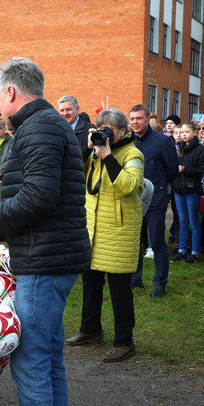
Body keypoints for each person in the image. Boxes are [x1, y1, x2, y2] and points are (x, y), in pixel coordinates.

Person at [0, 57, 91, 406]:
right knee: (48, 357)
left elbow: (38, 195)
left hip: (45, 260)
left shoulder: (39, 126)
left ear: (10, 91)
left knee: (31, 361)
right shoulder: (44, 124)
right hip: (49, 254)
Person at [66, 108, 143, 362]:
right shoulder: (96, 151)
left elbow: (128, 186)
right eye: (102, 130)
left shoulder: (133, 154)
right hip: (93, 228)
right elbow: (73, 170)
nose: (106, 135)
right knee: (91, 282)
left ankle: (124, 341)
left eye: (111, 130)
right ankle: (90, 329)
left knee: (120, 289)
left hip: (119, 230)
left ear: (124, 131)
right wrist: (89, 147)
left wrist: (108, 157)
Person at [130, 104, 178, 298]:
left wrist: (158, 185)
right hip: (133, 198)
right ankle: (135, 279)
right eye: (132, 119)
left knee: (157, 242)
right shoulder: (128, 140)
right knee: (135, 241)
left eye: (139, 118)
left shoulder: (162, 141)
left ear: (148, 118)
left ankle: (160, 283)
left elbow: (172, 169)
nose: (135, 122)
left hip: (156, 199)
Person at [171, 123, 204, 264]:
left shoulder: (201, 149)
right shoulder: (179, 149)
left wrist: (185, 169)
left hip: (192, 189)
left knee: (194, 221)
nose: (183, 134)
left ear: (194, 132)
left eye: (187, 131)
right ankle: (182, 250)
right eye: (182, 132)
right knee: (182, 221)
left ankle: (195, 252)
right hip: (179, 189)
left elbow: (203, 171)